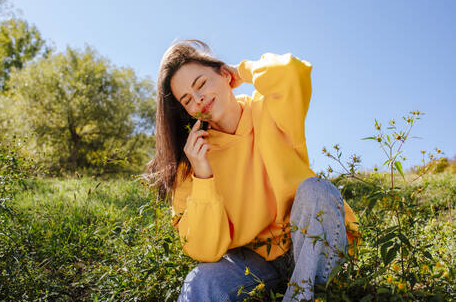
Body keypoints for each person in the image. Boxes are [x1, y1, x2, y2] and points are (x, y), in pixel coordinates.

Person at [144, 39, 359, 301]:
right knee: (201, 282)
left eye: (201, 83)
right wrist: (203, 176)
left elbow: (293, 71)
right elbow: (205, 250)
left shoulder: (269, 108)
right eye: (187, 99)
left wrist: (242, 71)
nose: (198, 99)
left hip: (308, 243)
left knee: (318, 190)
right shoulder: (192, 160)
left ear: (224, 74)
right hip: (253, 263)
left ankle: (302, 294)